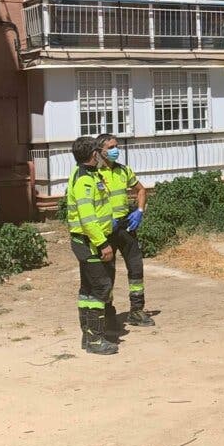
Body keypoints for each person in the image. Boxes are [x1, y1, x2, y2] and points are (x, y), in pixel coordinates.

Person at [96, 134, 155, 328]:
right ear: (100, 150)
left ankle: (136, 310)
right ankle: (107, 313)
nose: (115, 150)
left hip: (126, 227)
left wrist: (139, 211)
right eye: (111, 147)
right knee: (107, 272)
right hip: (106, 230)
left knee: (136, 268)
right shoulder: (94, 174)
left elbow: (141, 190)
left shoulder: (123, 171)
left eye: (116, 146)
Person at [66, 135, 118, 355]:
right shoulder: (84, 180)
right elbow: (88, 219)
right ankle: (96, 340)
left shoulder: (88, 174)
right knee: (101, 287)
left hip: (89, 241)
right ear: (93, 154)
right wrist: (103, 243)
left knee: (88, 289)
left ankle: (88, 337)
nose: (102, 155)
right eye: (99, 151)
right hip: (89, 243)